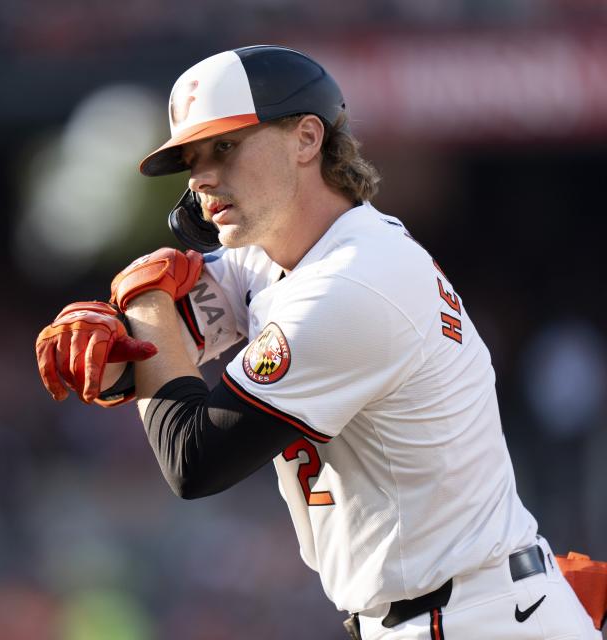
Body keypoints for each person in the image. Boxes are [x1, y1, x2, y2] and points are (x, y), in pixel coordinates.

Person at [35, 45, 605, 639]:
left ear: (307, 138)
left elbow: (194, 460)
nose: (202, 176)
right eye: (193, 157)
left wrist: (141, 298)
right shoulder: (270, 261)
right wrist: (103, 345)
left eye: (225, 147)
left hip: (471, 617)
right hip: (454, 609)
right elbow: (143, 358)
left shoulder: (352, 281)